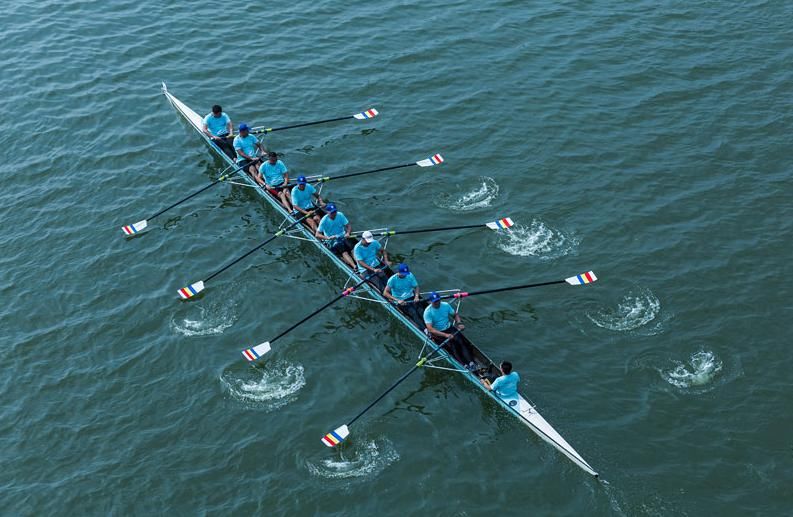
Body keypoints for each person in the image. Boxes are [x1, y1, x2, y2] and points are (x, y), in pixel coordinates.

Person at [423, 292, 476, 370]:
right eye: (435, 302)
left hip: (449, 328)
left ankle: (472, 363)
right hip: (438, 333)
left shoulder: (445, 305)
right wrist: (445, 335)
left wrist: (459, 323)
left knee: (462, 342)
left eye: (438, 300)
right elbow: (430, 329)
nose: (437, 303)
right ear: (431, 302)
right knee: (452, 347)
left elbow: (455, 315)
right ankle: (464, 365)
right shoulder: (427, 312)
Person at [316, 202, 355, 268]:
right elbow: (317, 235)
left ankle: (360, 265)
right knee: (344, 251)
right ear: (327, 212)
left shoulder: (340, 215)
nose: (334, 214)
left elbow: (348, 226)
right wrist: (328, 238)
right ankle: (354, 267)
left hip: (343, 236)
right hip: (332, 240)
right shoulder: (324, 220)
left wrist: (348, 233)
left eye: (335, 212)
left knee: (352, 248)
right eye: (332, 212)